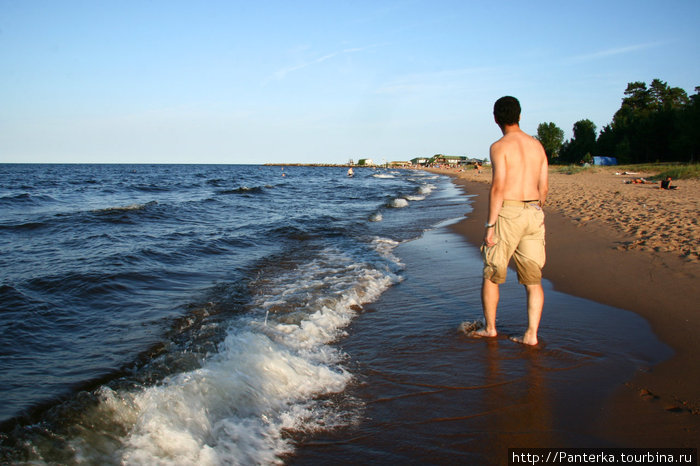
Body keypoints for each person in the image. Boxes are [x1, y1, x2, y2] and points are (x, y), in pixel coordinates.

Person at [470, 96, 549, 346]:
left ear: (495, 118)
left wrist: (490, 226)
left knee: (492, 273)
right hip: (534, 211)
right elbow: (544, 187)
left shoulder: (499, 146)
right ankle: (531, 334)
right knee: (533, 279)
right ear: (520, 116)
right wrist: (536, 208)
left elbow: (498, 188)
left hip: (509, 212)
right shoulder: (537, 146)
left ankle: (490, 328)